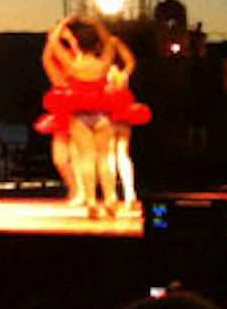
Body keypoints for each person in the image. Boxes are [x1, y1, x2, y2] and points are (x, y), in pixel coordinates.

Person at [39, 17, 121, 219]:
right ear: (95, 44)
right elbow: (109, 41)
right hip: (102, 115)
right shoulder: (103, 64)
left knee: (86, 158)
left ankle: (92, 201)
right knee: (104, 159)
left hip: (80, 116)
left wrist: (62, 26)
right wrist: (96, 24)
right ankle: (110, 199)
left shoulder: (72, 65)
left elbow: (53, 49)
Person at [104, 34, 151, 212]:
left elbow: (130, 61)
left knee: (113, 155)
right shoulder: (121, 75)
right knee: (120, 154)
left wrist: (115, 45)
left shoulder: (107, 74)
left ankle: (116, 196)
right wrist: (117, 45)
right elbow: (131, 61)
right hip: (117, 113)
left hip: (113, 114)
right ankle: (127, 194)